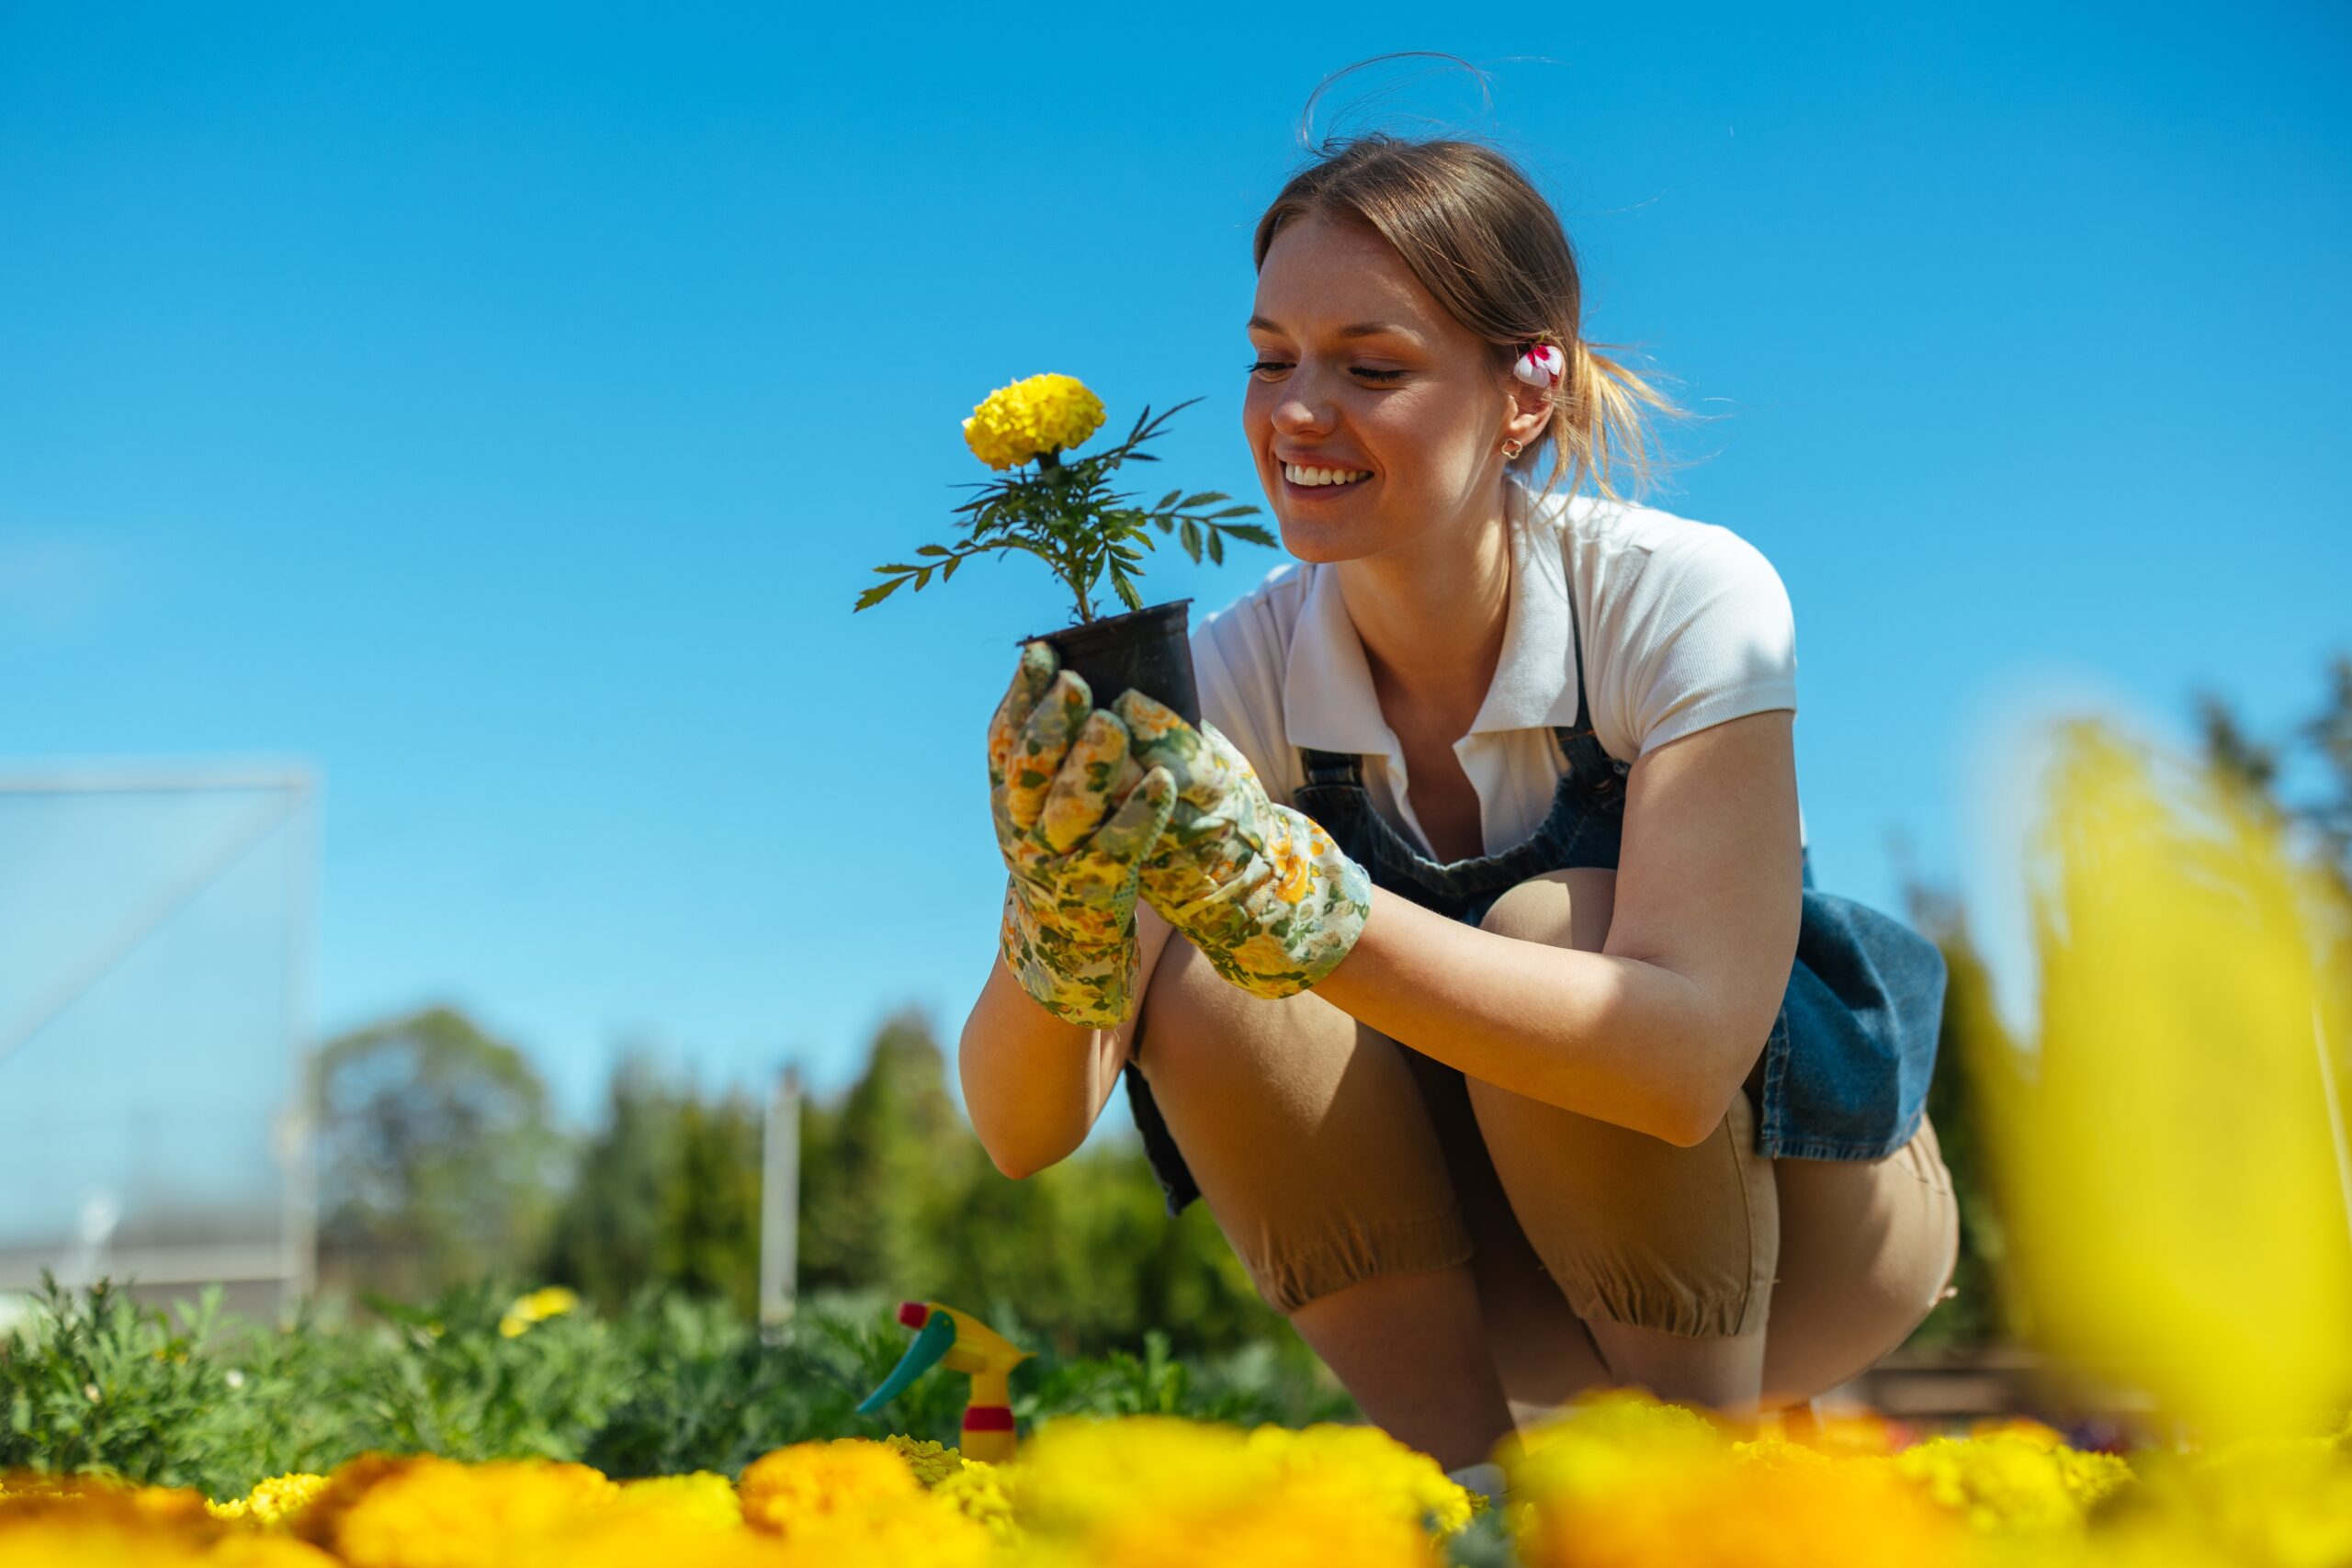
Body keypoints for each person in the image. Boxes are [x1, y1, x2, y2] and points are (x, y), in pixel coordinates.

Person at [959, 131, 1959, 1474]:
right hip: (1481, 1286)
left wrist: (1306, 907)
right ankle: (1469, 1506)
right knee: (1206, 979)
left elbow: (1679, 1072)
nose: (1297, 412)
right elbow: (1025, 1134)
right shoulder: (1235, 675)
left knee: (1555, 933)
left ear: (1523, 394)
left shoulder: (1681, 598)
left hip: (1810, 1247)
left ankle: (1690, 1510)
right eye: (1271, 358)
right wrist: (1059, 903)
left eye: (1372, 368)